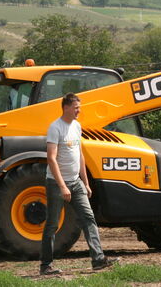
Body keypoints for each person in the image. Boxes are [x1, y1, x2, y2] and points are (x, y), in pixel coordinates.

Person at [39, 92, 119, 276]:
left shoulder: (76, 126)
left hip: (76, 183)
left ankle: (98, 260)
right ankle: (46, 266)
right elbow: (51, 159)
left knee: (89, 218)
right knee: (52, 224)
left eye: (79, 108)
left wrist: (85, 182)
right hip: (56, 183)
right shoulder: (55, 128)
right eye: (76, 108)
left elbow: (80, 155)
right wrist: (62, 186)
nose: (78, 111)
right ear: (66, 107)